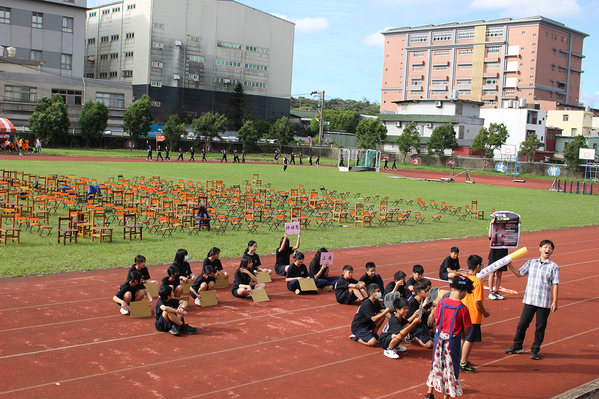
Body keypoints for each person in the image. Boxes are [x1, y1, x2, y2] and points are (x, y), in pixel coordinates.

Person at [505, 240, 559, 360]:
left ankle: (535, 350)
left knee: (540, 327)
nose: (547, 250)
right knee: (522, 324)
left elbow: (555, 284)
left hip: (544, 302)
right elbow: (520, 274)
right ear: (539, 248)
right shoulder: (531, 263)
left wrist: (555, 301)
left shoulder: (554, 267)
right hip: (530, 300)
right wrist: (509, 265)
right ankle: (517, 346)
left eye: (550, 248)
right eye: (545, 247)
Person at [425, 276, 474, 399]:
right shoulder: (463, 309)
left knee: (436, 364)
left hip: (438, 338)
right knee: (451, 368)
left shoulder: (442, 302)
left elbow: (437, 318)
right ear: (463, 292)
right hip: (452, 341)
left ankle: (429, 393)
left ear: (452, 288)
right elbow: (467, 330)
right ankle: (446, 396)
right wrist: (463, 334)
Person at [460, 255, 490, 373]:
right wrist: (485, 313)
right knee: (469, 339)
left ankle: (459, 359)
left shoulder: (462, 278)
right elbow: (478, 301)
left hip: (461, 312)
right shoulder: (477, 282)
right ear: (478, 266)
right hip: (472, 315)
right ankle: (463, 363)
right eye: (481, 265)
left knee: (462, 337)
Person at [487, 218, 512, 300]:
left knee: (499, 274)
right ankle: (491, 291)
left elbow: (513, 236)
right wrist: (491, 224)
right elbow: (490, 236)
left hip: (503, 254)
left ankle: (497, 291)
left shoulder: (507, 234)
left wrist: (517, 225)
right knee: (492, 273)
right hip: (494, 254)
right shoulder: (496, 232)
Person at [407, 281, 434, 349]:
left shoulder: (424, 298)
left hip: (423, 320)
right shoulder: (412, 302)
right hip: (415, 324)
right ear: (418, 293)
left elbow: (433, 308)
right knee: (429, 345)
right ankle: (412, 334)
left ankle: (433, 335)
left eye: (427, 290)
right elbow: (411, 319)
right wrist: (423, 306)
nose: (427, 292)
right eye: (425, 291)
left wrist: (431, 315)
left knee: (436, 316)